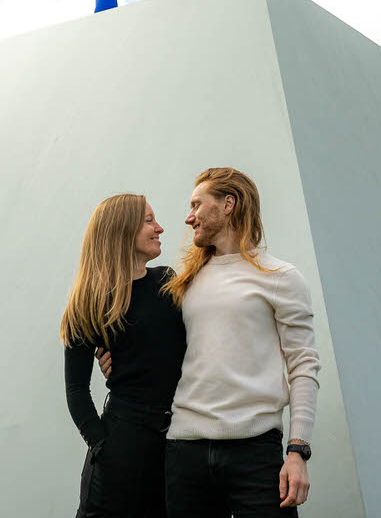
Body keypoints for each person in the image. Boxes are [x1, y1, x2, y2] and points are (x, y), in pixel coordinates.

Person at [98, 168, 320, 515]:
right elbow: (157, 342)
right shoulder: (182, 283)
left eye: (197, 205)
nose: (188, 218)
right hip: (184, 453)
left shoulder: (281, 278)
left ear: (228, 204)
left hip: (256, 454)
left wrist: (298, 451)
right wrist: (114, 355)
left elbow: (304, 366)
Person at [62, 193, 186, 518]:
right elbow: (76, 391)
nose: (159, 228)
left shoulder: (168, 281)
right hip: (123, 445)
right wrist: (102, 446)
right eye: (148, 220)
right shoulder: (91, 302)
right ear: (122, 230)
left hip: (176, 446)